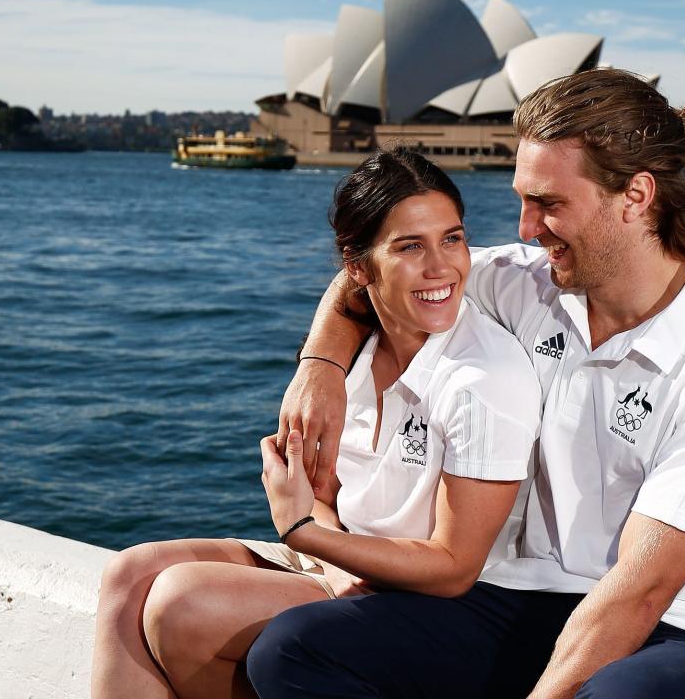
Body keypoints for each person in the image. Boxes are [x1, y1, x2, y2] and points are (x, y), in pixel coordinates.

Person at [248, 68, 685, 699]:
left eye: (549, 204)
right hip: (515, 596)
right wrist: (318, 368)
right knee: (292, 650)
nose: (524, 228)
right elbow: (374, 274)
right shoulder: (525, 280)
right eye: (522, 199)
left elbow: (641, 591)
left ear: (637, 196)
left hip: (672, 628)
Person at [89, 148, 541, 699]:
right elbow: (321, 492)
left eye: (452, 238)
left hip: (420, 597)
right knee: (128, 574)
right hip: (340, 556)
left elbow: (453, 568)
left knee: (184, 602)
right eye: (410, 247)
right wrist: (320, 530)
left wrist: (306, 532)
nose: (442, 267)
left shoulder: (483, 379)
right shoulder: (350, 352)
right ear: (357, 269)